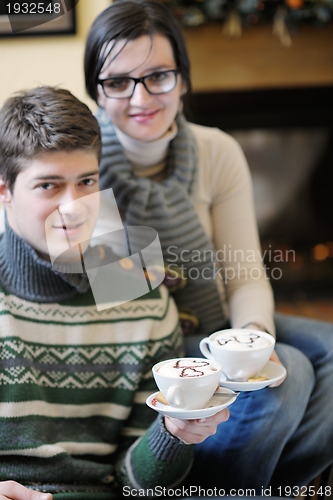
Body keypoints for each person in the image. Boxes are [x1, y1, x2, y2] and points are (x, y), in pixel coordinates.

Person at [84, 0, 333, 494]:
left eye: (159, 76)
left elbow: (243, 274)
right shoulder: (84, 166)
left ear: (184, 78)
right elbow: (124, 303)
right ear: (96, 89)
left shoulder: (217, 151)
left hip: (216, 319)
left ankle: (263, 484)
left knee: (324, 350)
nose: (141, 98)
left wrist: (252, 338)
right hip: (145, 335)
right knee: (293, 377)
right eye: (118, 82)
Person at [0, 86, 230, 500]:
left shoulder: (141, 297)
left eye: (86, 181)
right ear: (4, 190)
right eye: (48, 186)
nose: (75, 207)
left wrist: (171, 435)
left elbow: (135, 481)